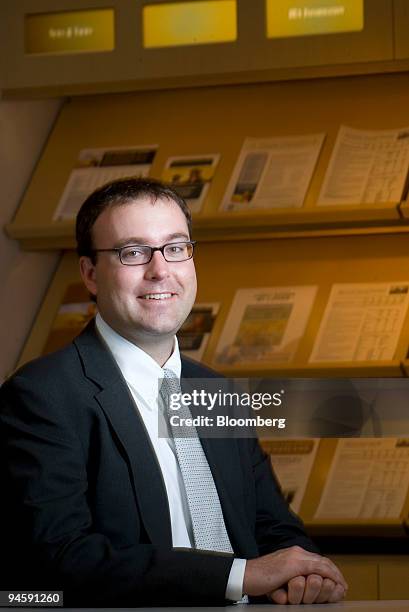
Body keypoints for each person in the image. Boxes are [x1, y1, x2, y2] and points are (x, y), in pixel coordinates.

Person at [0, 178, 347, 607]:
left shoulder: (216, 390)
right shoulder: (41, 397)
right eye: (133, 252)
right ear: (90, 274)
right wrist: (239, 575)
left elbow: (272, 526)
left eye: (176, 247)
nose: (160, 270)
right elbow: (62, 560)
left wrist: (305, 573)